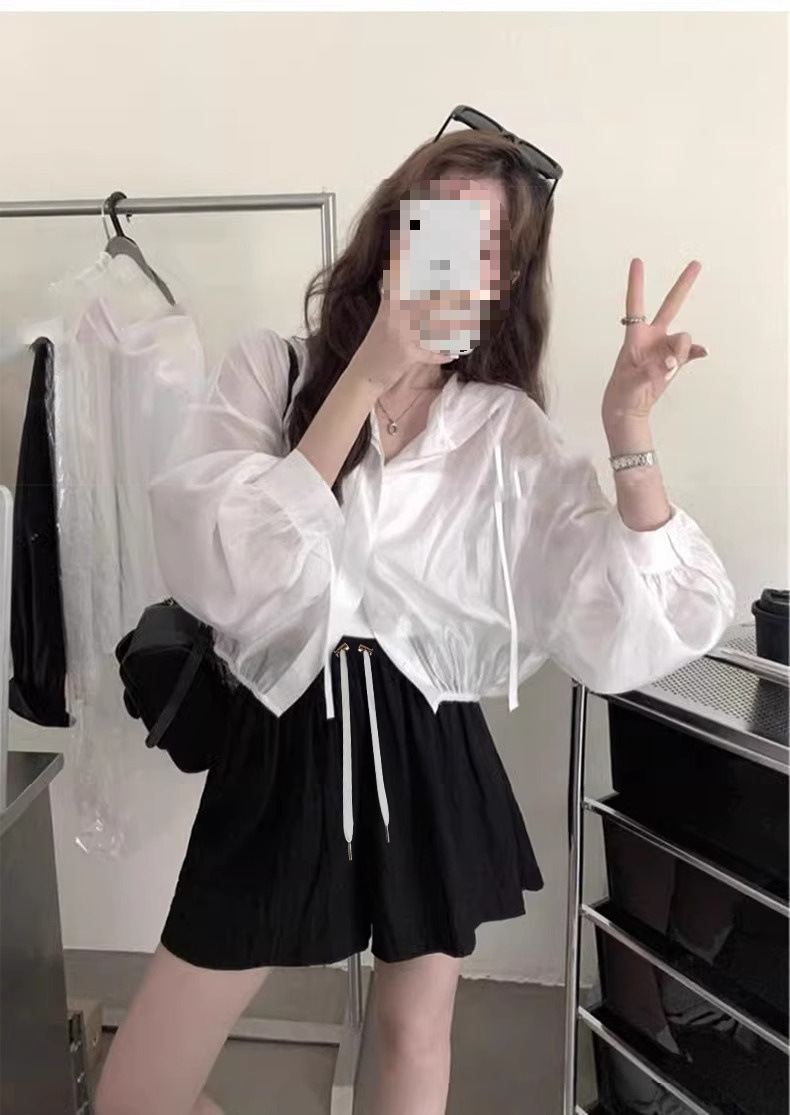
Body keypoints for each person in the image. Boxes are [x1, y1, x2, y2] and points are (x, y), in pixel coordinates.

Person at [95, 119, 736, 1115]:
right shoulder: (273, 369)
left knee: (413, 1031)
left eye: (482, 243)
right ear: (393, 233)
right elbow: (226, 569)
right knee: (141, 1088)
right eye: (432, 223)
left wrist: (628, 430)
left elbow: (626, 618)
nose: (448, 256)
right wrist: (363, 374)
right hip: (281, 729)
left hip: (423, 732)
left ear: (501, 278)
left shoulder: (501, 429)